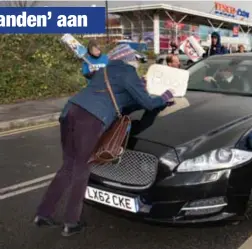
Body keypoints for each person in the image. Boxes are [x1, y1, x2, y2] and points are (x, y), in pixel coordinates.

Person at [33, 44, 175, 237]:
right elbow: (148, 103)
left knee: (68, 165)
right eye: (134, 59)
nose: (136, 62)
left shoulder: (105, 71)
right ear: (127, 59)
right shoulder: (127, 72)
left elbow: (120, 101)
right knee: (83, 167)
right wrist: (165, 97)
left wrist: (137, 89)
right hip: (90, 120)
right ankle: (71, 222)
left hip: (69, 112)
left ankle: (43, 213)